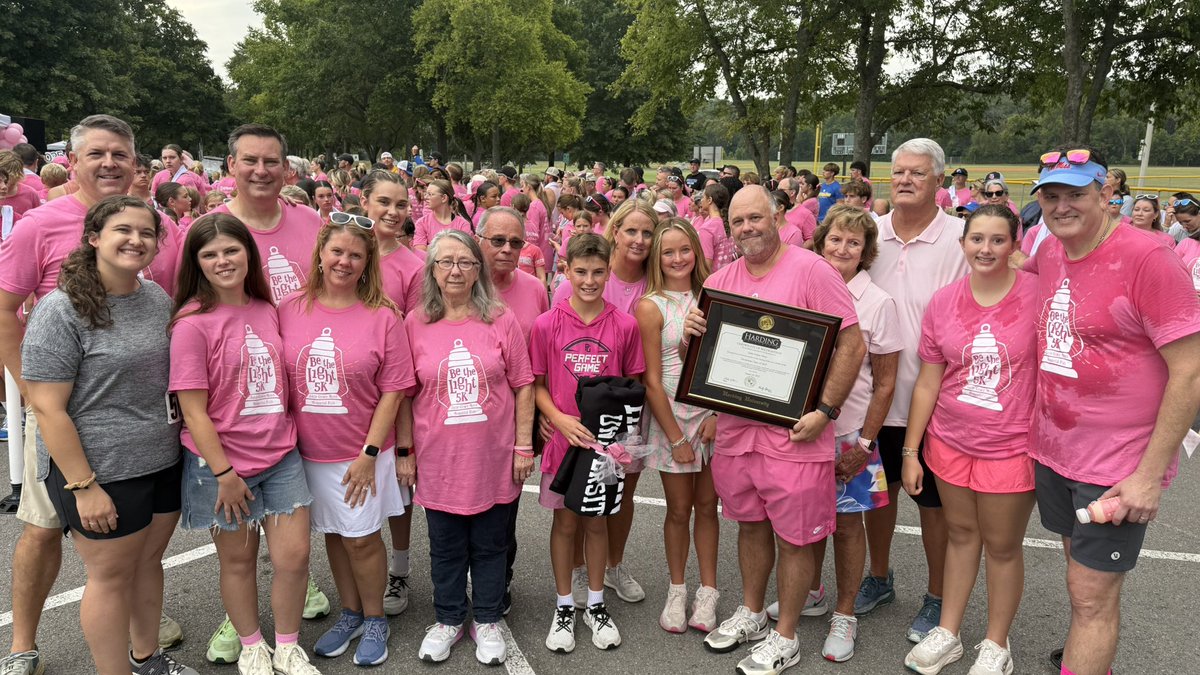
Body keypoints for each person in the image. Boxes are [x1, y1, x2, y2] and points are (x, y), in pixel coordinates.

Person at [0, 116, 183, 675]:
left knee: (146, 562)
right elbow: (6, 313)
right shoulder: (53, 277)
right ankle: (25, 646)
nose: (109, 163)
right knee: (58, 543)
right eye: (97, 153)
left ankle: (147, 658)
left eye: (120, 154)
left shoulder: (154, 296)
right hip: (83, 446)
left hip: (157, 453)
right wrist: (37, 398)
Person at [1025, 146, 1200, 675]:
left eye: (1075, 194)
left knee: (1090, 596)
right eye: (1051, 196)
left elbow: (1191, 371)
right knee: (1081, 580)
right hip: (1057, 449)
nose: (1061, 206)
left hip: (1117, 464)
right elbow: (1011, 272)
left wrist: (1147, 476)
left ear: (1106, 194)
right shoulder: (1050, 249)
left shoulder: (1148, 258)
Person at [685, 186, 865, 674]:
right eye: (738, 220)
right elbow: (701, 364)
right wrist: (690, 339)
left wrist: (825, 410)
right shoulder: (720, 281)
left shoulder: (813, 270)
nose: (747, 227)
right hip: (737, 432)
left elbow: (852, 344)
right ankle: (752, 611)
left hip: (794, 434)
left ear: (776, 216)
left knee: (796, 538)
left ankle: (785, 635)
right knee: (749, 525)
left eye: (755, 217)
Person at [169, 214, 320, 675]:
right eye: (210, 254)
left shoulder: (266, 307)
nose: (223, 261)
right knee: (238, 562)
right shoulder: (192, 323)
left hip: (280, 454)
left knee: (293, 558)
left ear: (248, 254)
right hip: (221, 464)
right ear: (196, 263)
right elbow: (193, 410)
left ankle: (288, 646)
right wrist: (224, 473)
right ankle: (253, 646)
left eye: (231, 250)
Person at [898, 205, 1038, 675]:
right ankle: (949, 631)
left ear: (1015, 244)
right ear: (962, 244)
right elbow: (928, 381)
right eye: (977, 239)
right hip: (949, 441)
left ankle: (996, 643)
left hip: (1010, 446)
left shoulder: (1037, 294)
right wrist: (911, 450)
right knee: (960, 536)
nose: (986, 249)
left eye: (998, 239)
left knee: (1001, 546)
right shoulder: (944, 301)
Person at [762, 204, 899, 663]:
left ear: (866, 252)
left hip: (849, 434)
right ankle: (813, 593)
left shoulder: (878, 302)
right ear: (820, 243)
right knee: (806, 522)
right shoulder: (801, 287)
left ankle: (845, 613)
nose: (842, 249)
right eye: (835, 239)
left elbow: (886, 384)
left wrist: (865, 444)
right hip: (801, 428)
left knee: (846, 525)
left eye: (853, 242)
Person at [278, 217, 415, 667]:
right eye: (337, 251)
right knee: (335, 535)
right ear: (320, 254)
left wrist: (369, 454)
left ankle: (376, 618)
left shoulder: (383, 316)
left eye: (356, 255)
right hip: (306, 452)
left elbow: (394, 390)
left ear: (367, 262)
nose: (344, 261)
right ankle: (351, 612)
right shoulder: (289, 308)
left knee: (361, 539)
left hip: (361, 452)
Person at [399, 229, 534, 665]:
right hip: (439, 458)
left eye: (465, 262)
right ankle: (449, 617)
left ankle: (488, 618)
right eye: (446, 262)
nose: (455, 271)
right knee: (445, 546)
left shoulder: (500, 318)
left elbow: (524, 385)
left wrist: (524, 445)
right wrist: (405, 452)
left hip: (493, 456)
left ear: (478, 270)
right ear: (432, 270)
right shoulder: (415, 322)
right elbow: (404, 394)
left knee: (492, 544)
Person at [859, 138, 968, 644]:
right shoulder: (869, 232)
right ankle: (879, 577)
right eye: (898, 171)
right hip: (873, 398)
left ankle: (937, 595)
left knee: (934, 506)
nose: (904, 180)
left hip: (936, 401)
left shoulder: (961, 238)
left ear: (939, 182)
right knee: (878, 497)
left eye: (917, 173)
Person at [633, 218, 721, 635]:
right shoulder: (651, 306)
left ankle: (708, 591)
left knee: (708, 506)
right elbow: (651, 380)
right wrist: (675, 437)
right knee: (679, 509)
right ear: (657, 257)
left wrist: (719, 415)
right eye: (668, 252)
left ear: (696, 252)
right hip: (673, 418)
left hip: (711, 416)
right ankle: (677, 589)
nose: (678, 258)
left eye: (685, 249)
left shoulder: (714, 294)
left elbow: (729, 363)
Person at [209, 124, 324, 307]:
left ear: (285, 167)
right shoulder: (206, 231)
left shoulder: (311, 220)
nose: (261, 171)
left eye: (271, 162)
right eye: (250, 160)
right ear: (232, 164)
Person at [413, 179, 471, 250]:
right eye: (426, 194)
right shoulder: (422, 223)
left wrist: (430, 247)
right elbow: (420, 250)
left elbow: (466, 249)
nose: (425, 197)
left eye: (430, 194)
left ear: (444, 198)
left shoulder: (463, 224)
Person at [0, 150, 42, 218]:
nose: (4, 186)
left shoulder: (30, 194)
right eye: (1, 181)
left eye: (12, 183)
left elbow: (38, 219)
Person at [778, 176, 818, 244]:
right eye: (777, 189)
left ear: (792, 193)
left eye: (781, 190)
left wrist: (796, 248)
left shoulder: (805, 214)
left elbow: (811, 240)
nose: (778, 192)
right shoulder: (777, 210)